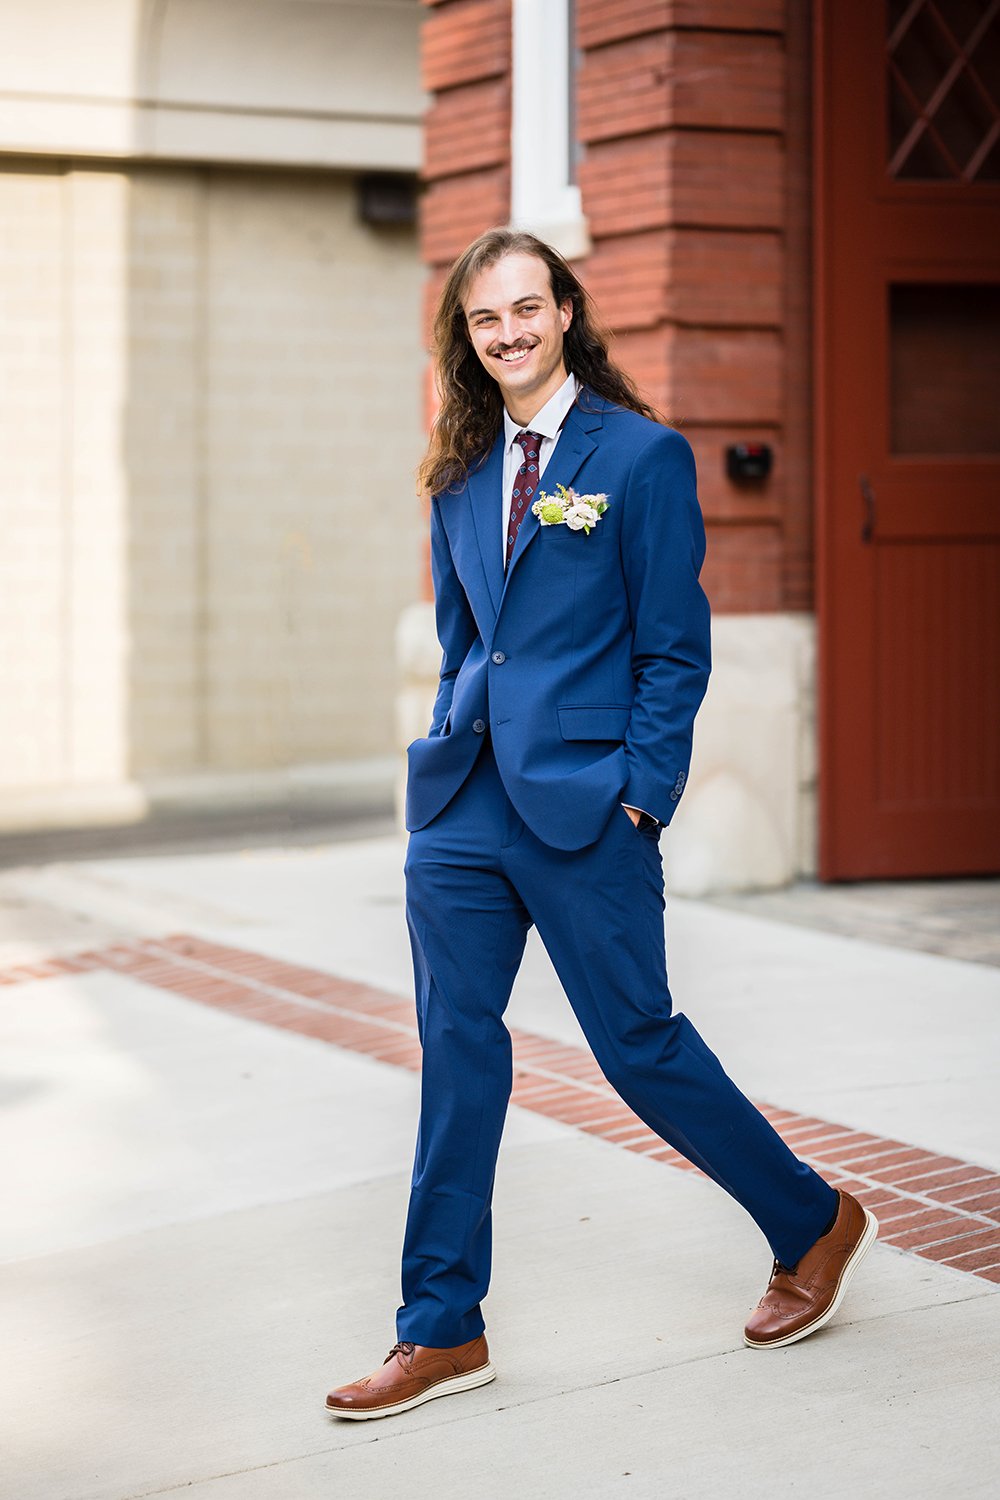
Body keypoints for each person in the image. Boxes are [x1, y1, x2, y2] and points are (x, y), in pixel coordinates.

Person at [325, 229, 877, 1421]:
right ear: (464, 339)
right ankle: (439, 1329)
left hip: (588, 807)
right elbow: (470, 640)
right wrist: (440, 756)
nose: (509, 333)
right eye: (485, 320)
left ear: (565, 312)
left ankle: (811, 1219)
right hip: (466, 808)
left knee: (637, 1046)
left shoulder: (639, 458)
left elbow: (675, 647)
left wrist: (642, 795)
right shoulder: (460, 471)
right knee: (457, 1051)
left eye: (528, 308)